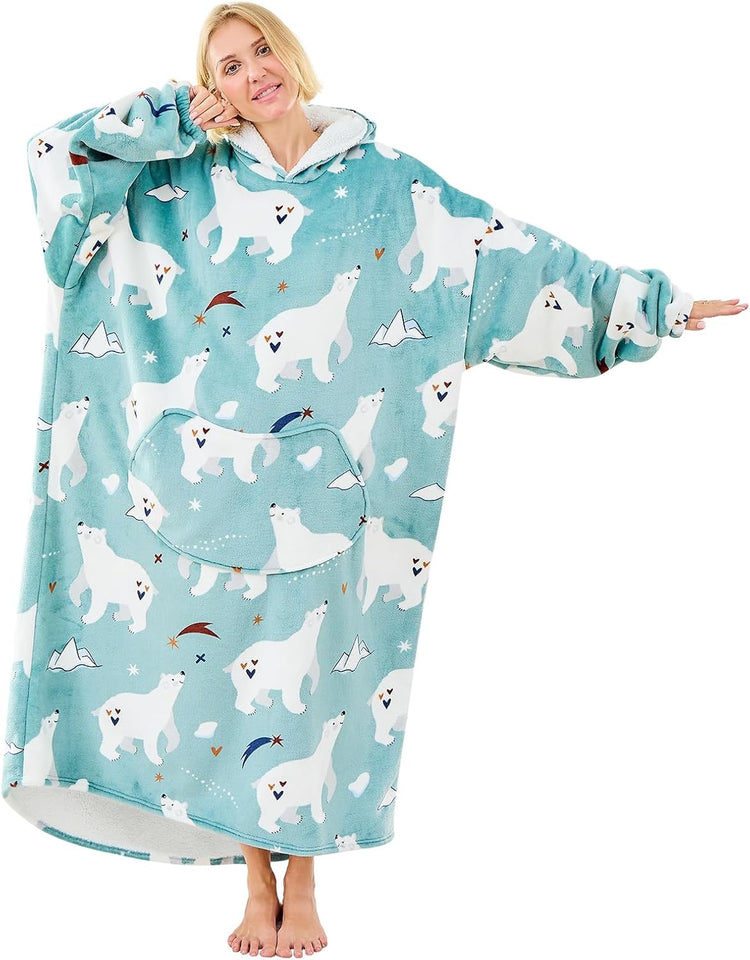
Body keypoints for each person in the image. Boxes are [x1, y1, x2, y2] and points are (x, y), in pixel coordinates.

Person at [2, 3, 745, 958]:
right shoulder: (175, 182)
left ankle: (304, 877)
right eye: (226, 67)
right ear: (211, 90)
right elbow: (59, 161)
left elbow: (508, 263)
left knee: (313, 677)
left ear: (291, 54)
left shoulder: (393, 189)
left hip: (330, 481)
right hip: (206, 484)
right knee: (230, 676)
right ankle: (255, 879)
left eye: (261, 49)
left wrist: (654, 306)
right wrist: (169, 119)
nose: (253, 73)